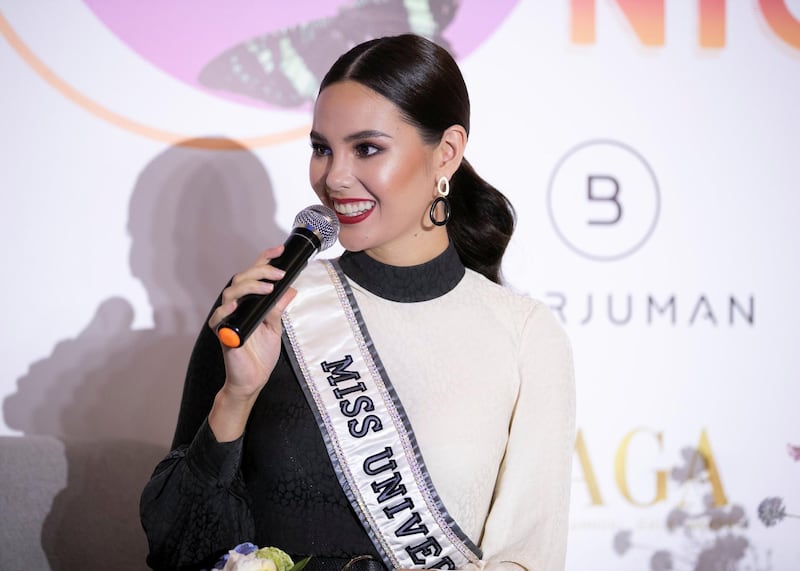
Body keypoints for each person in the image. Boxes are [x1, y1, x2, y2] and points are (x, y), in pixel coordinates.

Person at [140, 34, 575, 571]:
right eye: (322, 148)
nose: (334, 177)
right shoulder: (265, 307)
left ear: (447, 152)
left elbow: (528, 557)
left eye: (367, 148)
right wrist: (236, 395)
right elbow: (175, 550)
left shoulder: (524, 335)